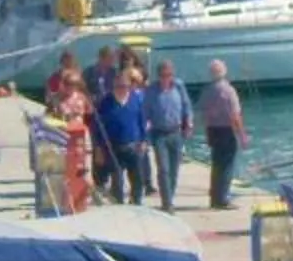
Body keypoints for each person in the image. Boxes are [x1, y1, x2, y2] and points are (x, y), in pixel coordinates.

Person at [94, 66, 151, 205]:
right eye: (119, 86)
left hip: (133, 145)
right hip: (113, 146)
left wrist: (144, 140)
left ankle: (135, 202)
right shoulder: (105, 102)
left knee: (137, 178)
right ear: (114, 86)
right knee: (117, 180)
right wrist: (99, 148)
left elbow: (142, 121)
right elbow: (98, 127)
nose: (122, 89)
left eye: (125, 86)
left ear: (129, 86)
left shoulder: (136, 99)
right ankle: (118, 203)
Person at [145, 59, 193, 209]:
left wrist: (189, 123)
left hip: (176, 133)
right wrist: (145, 136)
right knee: (163, 169)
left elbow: (186, 106)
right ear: (158, 75)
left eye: (169, 75)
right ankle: (167, 203)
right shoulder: (151, 91)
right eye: (163, 75)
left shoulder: (179, 86)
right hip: (159, 134)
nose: (166, 78)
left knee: (174, 170)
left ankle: (169, 196)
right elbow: (145, 113)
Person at [199, 58, 245, 209]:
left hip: (212, 130)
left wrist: (207, 133)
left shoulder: (207, 91)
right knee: (227, 165)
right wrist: (242, 135)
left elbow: (204, 114)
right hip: (226, 130)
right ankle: (223, 198)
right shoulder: (228, 91)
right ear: (224, 72)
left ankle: (214, 197)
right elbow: (235, 115)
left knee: (216, 165)